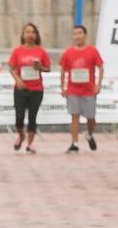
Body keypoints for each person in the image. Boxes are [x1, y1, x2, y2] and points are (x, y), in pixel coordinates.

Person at [59, 23, 104, 153]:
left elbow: (100, 67)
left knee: (91, 117)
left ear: (85, 35)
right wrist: (63, 87)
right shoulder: (68, 52)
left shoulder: (92, 51)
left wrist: (98, 84)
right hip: (73, 90)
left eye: (79, 33)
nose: (77, 36)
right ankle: (74, 143)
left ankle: (89, 135)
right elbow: (62, 70)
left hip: (89, 90)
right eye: (74, 34)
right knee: (74, 116)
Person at [7, 22, 50, 153]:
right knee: (19, 117)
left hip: (36, 89)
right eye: (27, 32)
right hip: (21, 89)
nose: (30, 34)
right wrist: (18, 80)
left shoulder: (41, 51)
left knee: (32, 117)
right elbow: (11, 68)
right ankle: (21, 134)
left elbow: (48, 68)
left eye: (32, 32)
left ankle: (30, 144)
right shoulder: (17, 51)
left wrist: (40, 68)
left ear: (36, 35)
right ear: (23, 35)